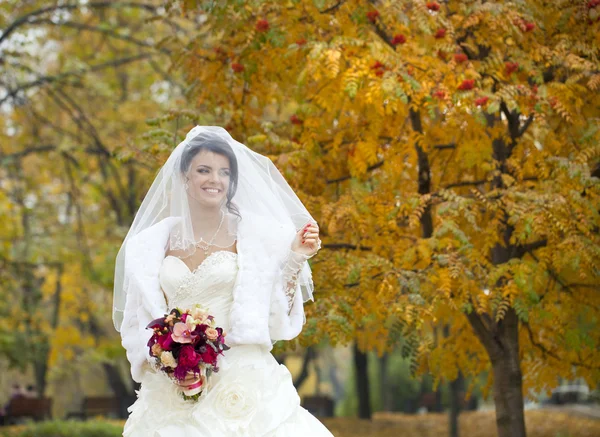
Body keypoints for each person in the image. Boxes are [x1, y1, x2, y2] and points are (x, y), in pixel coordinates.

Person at [113, 126, 333, 436]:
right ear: (184, 177)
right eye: (204, 170)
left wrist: (296, 256)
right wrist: (167, 360)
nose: (214, 179)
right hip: (175, 384)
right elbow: (140, 320)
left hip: (241, 376)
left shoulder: (257, 237)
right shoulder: (149, 246)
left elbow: (275, 310)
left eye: (224, 172)